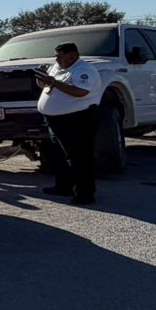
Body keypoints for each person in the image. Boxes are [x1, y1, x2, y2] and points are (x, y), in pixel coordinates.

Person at [33, 41, 100, 205]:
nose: (56, 60)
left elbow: (81, 92)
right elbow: (46, 86)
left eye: (59, 57)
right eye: (56, 56)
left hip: (77, 119)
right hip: (56, 119)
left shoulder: (84, 70)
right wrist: (41, 79)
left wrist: (54, 82)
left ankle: (85, 193)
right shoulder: (56, 67)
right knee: (60, 155)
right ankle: (63, 186)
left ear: (72, 56)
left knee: (79, 156)